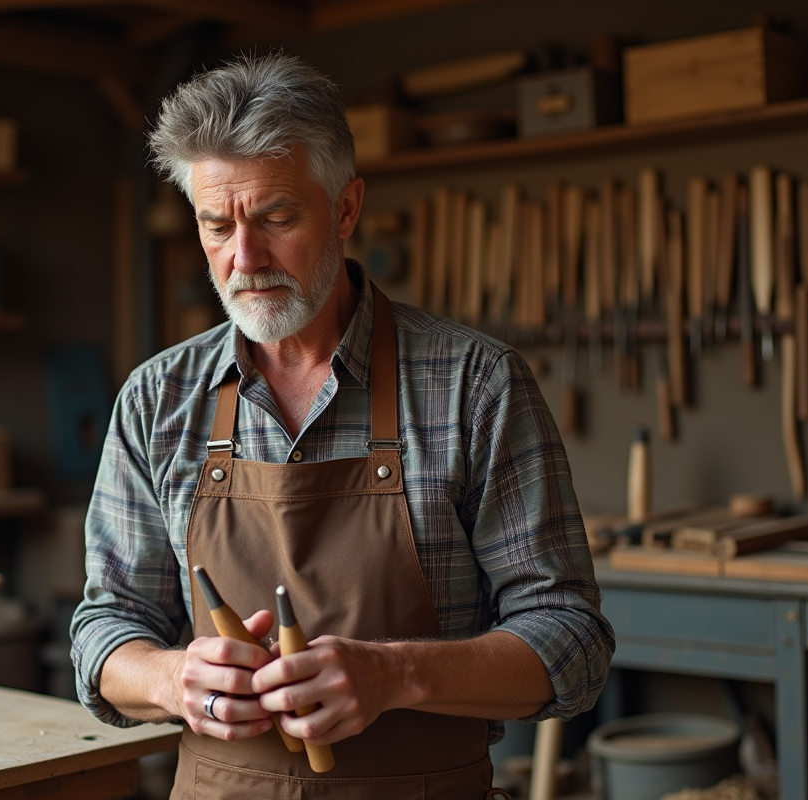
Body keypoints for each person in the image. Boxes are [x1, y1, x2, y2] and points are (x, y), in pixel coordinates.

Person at [71, 51, 614, 799]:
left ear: (347, 208)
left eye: (275, 218)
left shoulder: (475, 385)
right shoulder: (157, 398)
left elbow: (572, 643)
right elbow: (105, 629)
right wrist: (172, 678)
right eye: (215, 224)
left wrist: (395, 674)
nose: (244, 258)